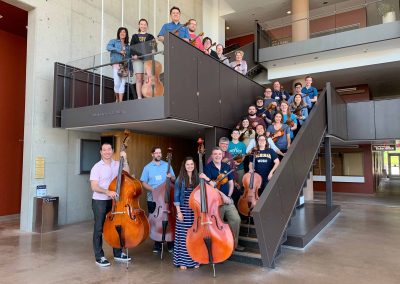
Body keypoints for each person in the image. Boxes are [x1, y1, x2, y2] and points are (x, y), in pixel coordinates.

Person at [90, 142, 131, 267]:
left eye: (109, 149)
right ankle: (99, 256)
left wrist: (125, 159)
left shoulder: (117, 164)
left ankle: (118, 253)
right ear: (101, 152)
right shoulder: (97, 167)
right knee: (99, 229)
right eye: (104, 150)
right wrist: (107, 191)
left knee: (116, 226)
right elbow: (94, 187)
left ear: (113, 151)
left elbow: (127, 174)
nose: (107, 152)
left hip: (115, 201)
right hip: (100, 201)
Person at [200, 147, 243, 251]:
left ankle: (233, 245)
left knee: (236, 220)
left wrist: (228, 196)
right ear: (212, 155)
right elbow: (211, 186)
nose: (218, 156)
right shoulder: (208, 168)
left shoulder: (226, 166)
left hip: (227, 201)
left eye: (219, 154)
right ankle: (220, 247)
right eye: (215, 154)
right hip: (215, 202)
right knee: (217, 224)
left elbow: (231, 183)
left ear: (222, 155)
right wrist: (223, 196)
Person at [140, 146, 176, 253]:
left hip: (167, 196)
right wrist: (153, 189)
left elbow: (174, 178)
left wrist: (171, 177)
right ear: (152, 154)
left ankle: (170, 242)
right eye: (156, 153)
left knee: (170, 218)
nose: (158, 155)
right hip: (153, 196)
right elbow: (143, 183)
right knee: (155, 219)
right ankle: (157, 243)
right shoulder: (147, 167)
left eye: (160, 153)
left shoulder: (167, 165)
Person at [173, 157, 200, 270]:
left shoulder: (197, 178)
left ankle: (195, 260)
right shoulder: (180, 179)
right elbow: (176, 197)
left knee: (195, 236)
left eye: (192, 164)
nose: (190, 166)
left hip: (195, 211)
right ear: (184, 166)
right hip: (183, 210)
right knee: (184, 237)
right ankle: (183, 261)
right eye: (188, 164)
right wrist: (179, 212)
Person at [130, 19, 156, 100]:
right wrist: (134, 55)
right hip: (137, 59)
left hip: (147, 59)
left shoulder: (151, 36)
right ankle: (139, 97)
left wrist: (153, 50)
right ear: (139, 25)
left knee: (146, 78)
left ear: (147, 26)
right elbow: (131, 47)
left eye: (145, 24)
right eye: (141, 24)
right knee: (138, 78)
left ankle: (146, 96)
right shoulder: (134, 36)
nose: (143, 26)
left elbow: (154, 47)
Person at [107, 27, 130, 102]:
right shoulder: (114, 41)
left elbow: (129, 58)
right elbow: (108, 47)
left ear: (126, 34)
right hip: (116, 64)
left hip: (125, 66)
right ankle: (117, 98)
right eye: (121, 32)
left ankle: (120, 102)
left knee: (122, 84)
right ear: (118, 33)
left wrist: (131, 69)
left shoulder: (128, 46)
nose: (122, 33)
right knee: (117, 83)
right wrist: (119, 51)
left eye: (124, 32)